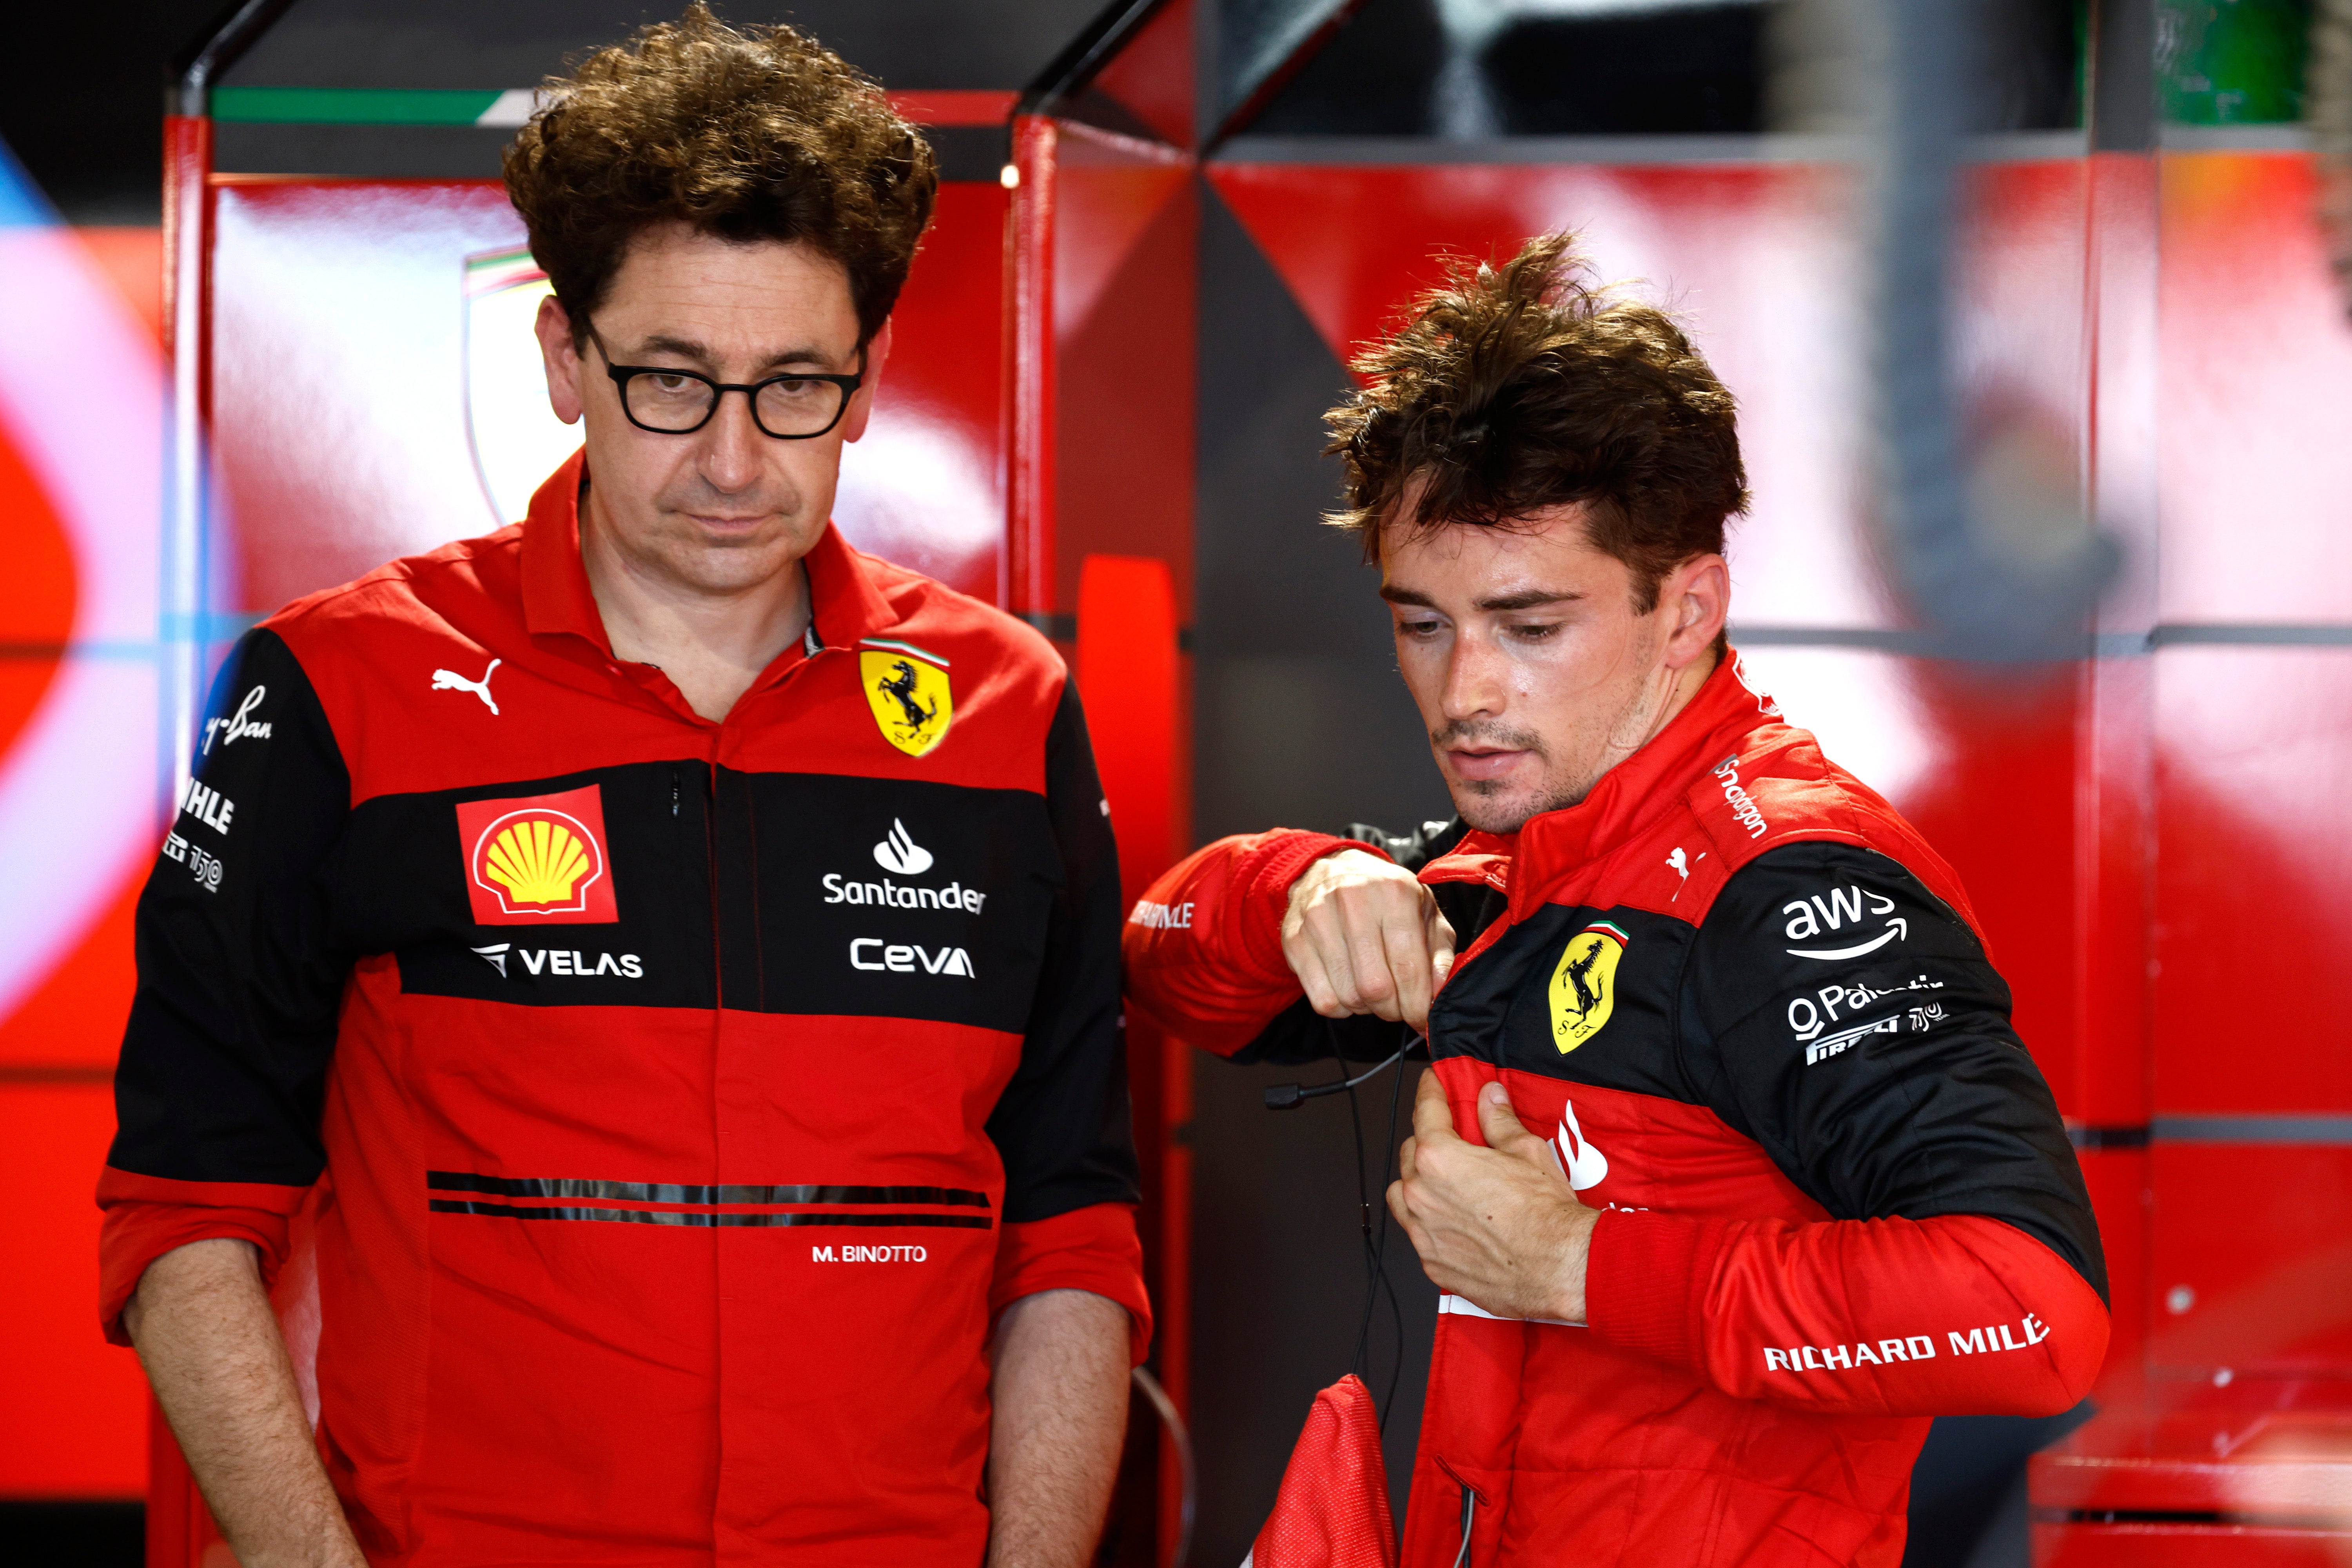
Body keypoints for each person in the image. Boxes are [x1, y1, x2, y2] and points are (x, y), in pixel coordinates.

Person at [99, 10, 1144, 1564]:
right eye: (670, 380)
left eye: (796, 385)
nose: (733, 459)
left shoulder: (1008, 712)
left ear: (867, 383)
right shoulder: (337, 688)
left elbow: (1070, 1231)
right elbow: (185, 1205)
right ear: (560, 356)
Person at [1123, 233, 2107, 1568]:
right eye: (1423, 624)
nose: (1467, 692)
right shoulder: (1513, 870)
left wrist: (1580, 1268)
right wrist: (1301, 883)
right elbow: (1164, 967)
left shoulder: (1788, 883)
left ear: (1688, 605)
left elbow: (2033, 1314)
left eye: (1532, 629)